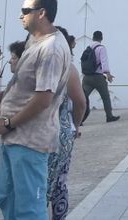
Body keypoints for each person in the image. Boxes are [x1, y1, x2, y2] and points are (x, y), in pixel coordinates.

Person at [0, 0, 71, 220]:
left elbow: (43, 99)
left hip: (30, 140)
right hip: (16, 139)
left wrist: (8, 123)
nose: (21, 16)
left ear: (42, 13)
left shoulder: (51, 49)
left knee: (29, 207)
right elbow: (23, 85)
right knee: (7, 197)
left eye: (25, 11)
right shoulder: (34, 41)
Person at [46, 28, 87, 220]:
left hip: (43, 134)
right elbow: (80, 103)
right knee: (59, 184)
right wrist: (75, 125)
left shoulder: (42, 64)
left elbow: (80, 102)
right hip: (62, 134)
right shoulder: (68, 67)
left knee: (40, 188)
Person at [79, 30, 118, 124]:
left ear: (93, 37)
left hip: (87, 78)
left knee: (82, 98)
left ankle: (78, 120)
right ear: (101, 38)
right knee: (105, 97)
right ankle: (109, 116)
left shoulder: (88, 48)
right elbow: (104, 62)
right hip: (98, 77)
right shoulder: (101, 48)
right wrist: (108, 74)